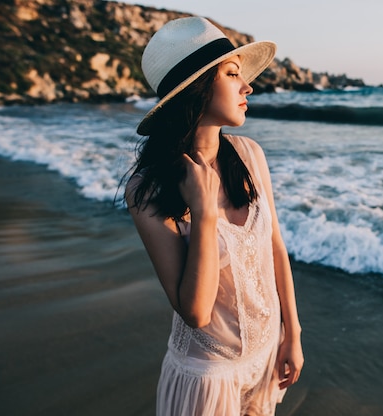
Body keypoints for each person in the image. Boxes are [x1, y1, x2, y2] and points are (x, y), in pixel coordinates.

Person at [124, 17, 303, 415]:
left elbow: (276, 248)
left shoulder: (249, 154)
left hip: (264, 359)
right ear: (197, 89)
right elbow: (196, 311)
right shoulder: (148, 189)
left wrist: (293, 333)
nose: (248, 86)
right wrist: (203, 213)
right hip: (208, 379)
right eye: (232, 74)